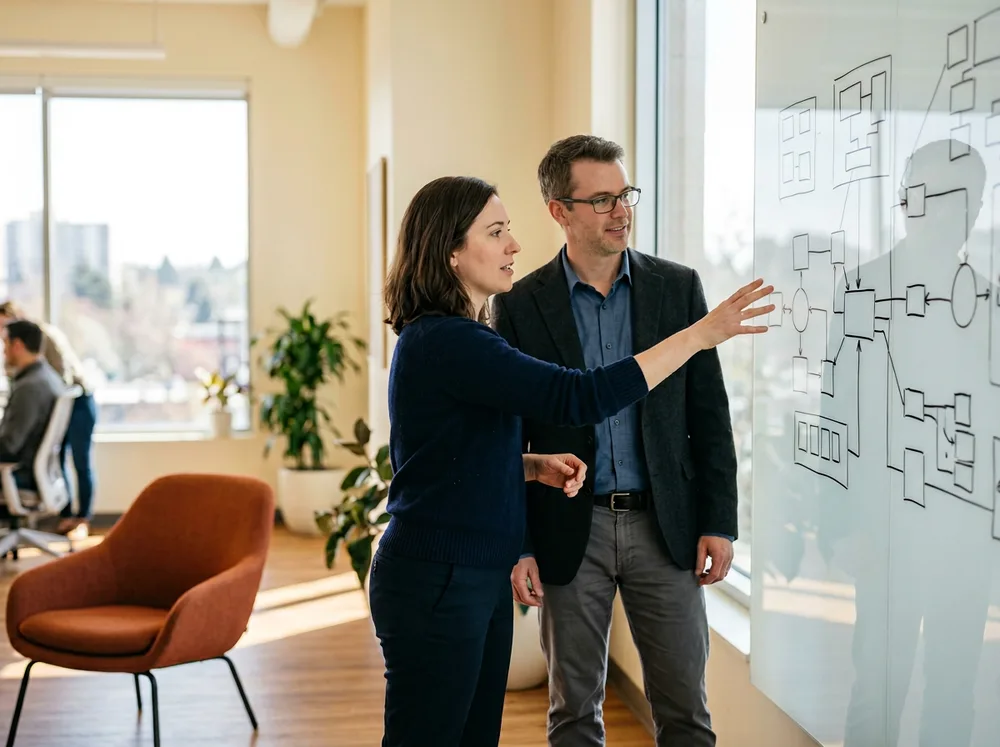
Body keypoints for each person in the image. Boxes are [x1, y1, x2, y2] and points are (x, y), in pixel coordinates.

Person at [369, 172, 773, 746]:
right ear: (452, 252)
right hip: (441, 579)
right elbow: (579, 396)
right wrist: (697, 335)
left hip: (467, 575)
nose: (513, 245)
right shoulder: (450, 341)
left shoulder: (454, 337)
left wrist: (530, 467)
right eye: (497, 232)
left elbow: (443, 459)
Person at [491, 134, 739, 746]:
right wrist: (521, 544)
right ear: (560, 211)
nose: (620, 210)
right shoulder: (520, 305)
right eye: (600, 200)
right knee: (573, 713)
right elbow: (512, 433)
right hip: (572, 527)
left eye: (624, 194)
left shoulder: (678, 290)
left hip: (668, 525)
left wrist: (720, 521)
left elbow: (709, 414)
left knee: (685, 711)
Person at [0, 302, 97, 538]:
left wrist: (37, 403)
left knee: (78, 460)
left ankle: (82, 518)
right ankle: (66, 516)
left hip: (78, 400)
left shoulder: (42, 338)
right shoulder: (37, 377)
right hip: (54, 398)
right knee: (52, 455)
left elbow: (61, 376)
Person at [0, 320, 67, 492]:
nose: (4, 351)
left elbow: (8, 446)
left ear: (18, 345)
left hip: (20, 474)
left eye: (5, 343)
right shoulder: (48, 377)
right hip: (37, 472)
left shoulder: (29, 388)